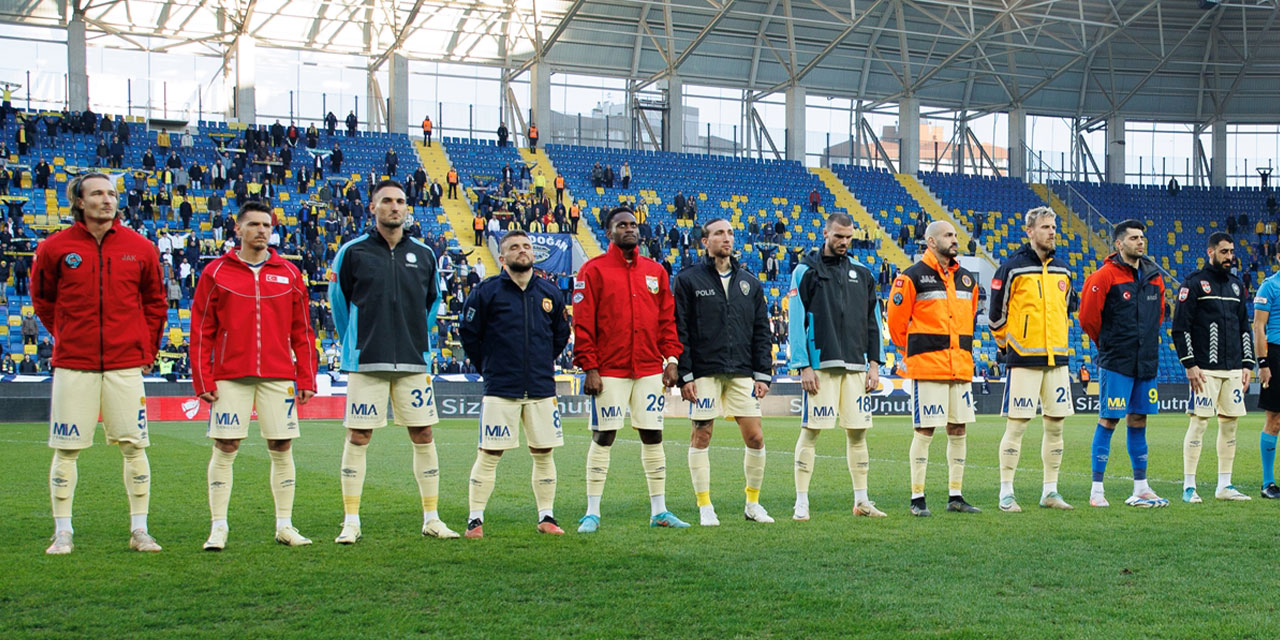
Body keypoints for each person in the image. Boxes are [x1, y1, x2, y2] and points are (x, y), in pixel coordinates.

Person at [32, 172, 168, 555]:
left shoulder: (140, 248)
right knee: (66, 448)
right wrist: (68, 334)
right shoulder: (54, 248)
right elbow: (43, 300)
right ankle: (63, 531)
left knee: (135, 446)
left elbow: (155, 303)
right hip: (75, 363)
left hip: (125, 364)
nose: (107, 200)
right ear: (79, 201)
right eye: (97, 194)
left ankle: (139, 530)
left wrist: (147, 349)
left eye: (111, 193)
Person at [329, 179, 459, 542]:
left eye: (400, 201)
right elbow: (339, 303)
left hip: (413, 361)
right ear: (373, 208)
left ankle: (432, 517)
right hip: (366, 359)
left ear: (407, 209)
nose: (394, 207)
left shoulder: (425, 254)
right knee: (359, 435)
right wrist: (353, 340)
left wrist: (416, 334)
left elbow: (432, 302)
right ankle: (351, 521)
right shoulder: (352, 252)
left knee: (424, 433)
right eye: (386, 201)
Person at [190, 202, 318, 550]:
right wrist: (202, 380)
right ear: (238, 229)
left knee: (281, 445)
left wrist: (306, 378)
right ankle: (218, 526)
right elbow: (202, 329)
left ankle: (285, 525)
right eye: (254, 225)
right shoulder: (216, 272)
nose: (262, 230)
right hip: (230, 375)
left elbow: (303, 331)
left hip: (278, 375)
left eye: (267, 225)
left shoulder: (289, 273)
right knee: (226, 445)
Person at [572, 205, 688, 532]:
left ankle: (660, 511)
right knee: (605, 434)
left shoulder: (655, 271)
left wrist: (671, 360)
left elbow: (667, 320)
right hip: (608, 369)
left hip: (650, 368)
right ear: (609, 233)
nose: (629, 229)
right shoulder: (593, 270)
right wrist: (589, 367)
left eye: (633, 224)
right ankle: (592, 511)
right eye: (622, 225)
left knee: (653, 435)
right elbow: (583, 324)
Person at [458, 231, 570, 538]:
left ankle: (546, 516)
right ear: (502, 257)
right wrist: (489, 366)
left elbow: (560, 335)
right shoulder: (486, 291)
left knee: (544, 452)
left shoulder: (549, 292)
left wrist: (540, 362)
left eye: (526, 247)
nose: (522, 251)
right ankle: (475, 520)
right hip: (501, 388)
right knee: (489, 453)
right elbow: (469, 334)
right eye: (514, 248)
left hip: (540, 387)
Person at [674, 218, 775, 526]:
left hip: (743, 371)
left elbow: (761, 330)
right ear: (705, 241)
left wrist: (763, 372)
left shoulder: (750, 282)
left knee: (756, 438)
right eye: (719, 233)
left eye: (730, 233)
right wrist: (685, 374)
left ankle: (753, 504)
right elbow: (681, 329)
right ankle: (705, 506)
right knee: (702, 434)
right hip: (704, 371)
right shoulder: (688, 279)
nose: (726, 238)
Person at [788, 213, 887, 520]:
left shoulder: (863, 272)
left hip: (857, 367)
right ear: (826, 233)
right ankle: (801, 501)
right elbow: (796, 319)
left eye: (848, 237)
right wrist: (803, 365)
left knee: (858, 433)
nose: (844, 242)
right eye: (838, 236)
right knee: (811, 431)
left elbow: (873, 322)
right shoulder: (806, 270)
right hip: (821, 365)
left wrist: (874, 365)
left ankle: (862, 501)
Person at [887, 220, 981, 517]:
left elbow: (970, 322)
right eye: (949, 235)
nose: (955, 240)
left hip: (960, 367)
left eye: (955, 235)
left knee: (958, 429)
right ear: (930, 241)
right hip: (927, 368)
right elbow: (896, 324)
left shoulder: (967, 280)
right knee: (925, 430)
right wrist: (915, 352)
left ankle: (956, 495)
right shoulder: (911, 277)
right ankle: (918, 498)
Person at [987, 208, 1077, 513]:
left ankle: (1050, 491)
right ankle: (1006, 492)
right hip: (1024, 359)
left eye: (1054, 227)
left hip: (1058, 361)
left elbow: (1067, 309)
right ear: (1029, 231)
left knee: (1056, 427)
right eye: (1045, 227)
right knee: (1017, 426)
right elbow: (996, 317)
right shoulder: (1011, 268)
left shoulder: (1063, 269)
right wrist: (1011, 346)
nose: (1052, 232)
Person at [1079, 219, 1169, 508]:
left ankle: (1141, 487)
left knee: (1139, 419)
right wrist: (1108, 344)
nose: (1140, 242)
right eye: (1133, 238)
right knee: (1109, 419)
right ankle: (1096, 491)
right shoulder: (1103, 276)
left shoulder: (1155, 276)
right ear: (1119, 244)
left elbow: (1159, 316)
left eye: (1142, 237)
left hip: (1145, 361)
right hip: (1116, 360)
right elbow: (1088, 320)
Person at [1173, 232, 1255, 503]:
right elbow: (1180, 327)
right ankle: (1188, 486)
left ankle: (1225, 485)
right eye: (1224, 252)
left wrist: (1246, 364)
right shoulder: (1194, 284)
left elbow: (1244, 327)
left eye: (1231, 252)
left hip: (1232, 368)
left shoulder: (1235, 286)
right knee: (1199, 424)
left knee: (1230, 425)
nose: (1229, 257)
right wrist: (1190, 364)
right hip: (1204, 370)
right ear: (1210, 252)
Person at [1252, 239, 1280, 499]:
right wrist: (1263, 363)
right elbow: (1258, 327)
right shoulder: (1270, 286)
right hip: (1277, 353)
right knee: (1275, 419)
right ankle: (1268, 483)